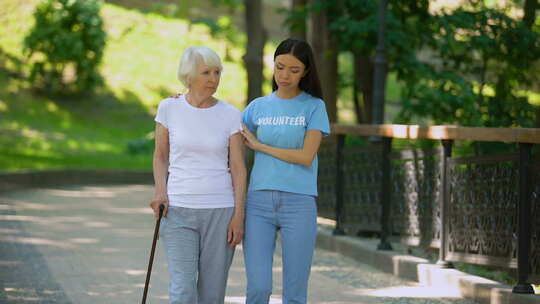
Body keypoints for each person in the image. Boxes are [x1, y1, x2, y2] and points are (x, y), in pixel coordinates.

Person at [150, 46, 246, 304]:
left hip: (221, 210)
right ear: (189, 75)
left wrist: (239, 215)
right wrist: (160, 191)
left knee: (212, 294)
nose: (213, 79)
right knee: (182, 290)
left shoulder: (230, 114)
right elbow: (160, 156)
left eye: (217, 72)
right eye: (206, 72)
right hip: (178, 209)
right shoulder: (169, 108)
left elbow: (238, 168)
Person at [240, 38, 331, 304]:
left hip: (299, 203)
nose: (284, 75)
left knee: (294, 294)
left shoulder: (314, 107)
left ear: (305, 72)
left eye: (293, 70)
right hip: (258, 203)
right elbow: (225, 129)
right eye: (280, 67)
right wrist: (188, 100)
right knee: (258, 288)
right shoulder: (257, 106)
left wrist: (260, 146)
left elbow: (306, 156)